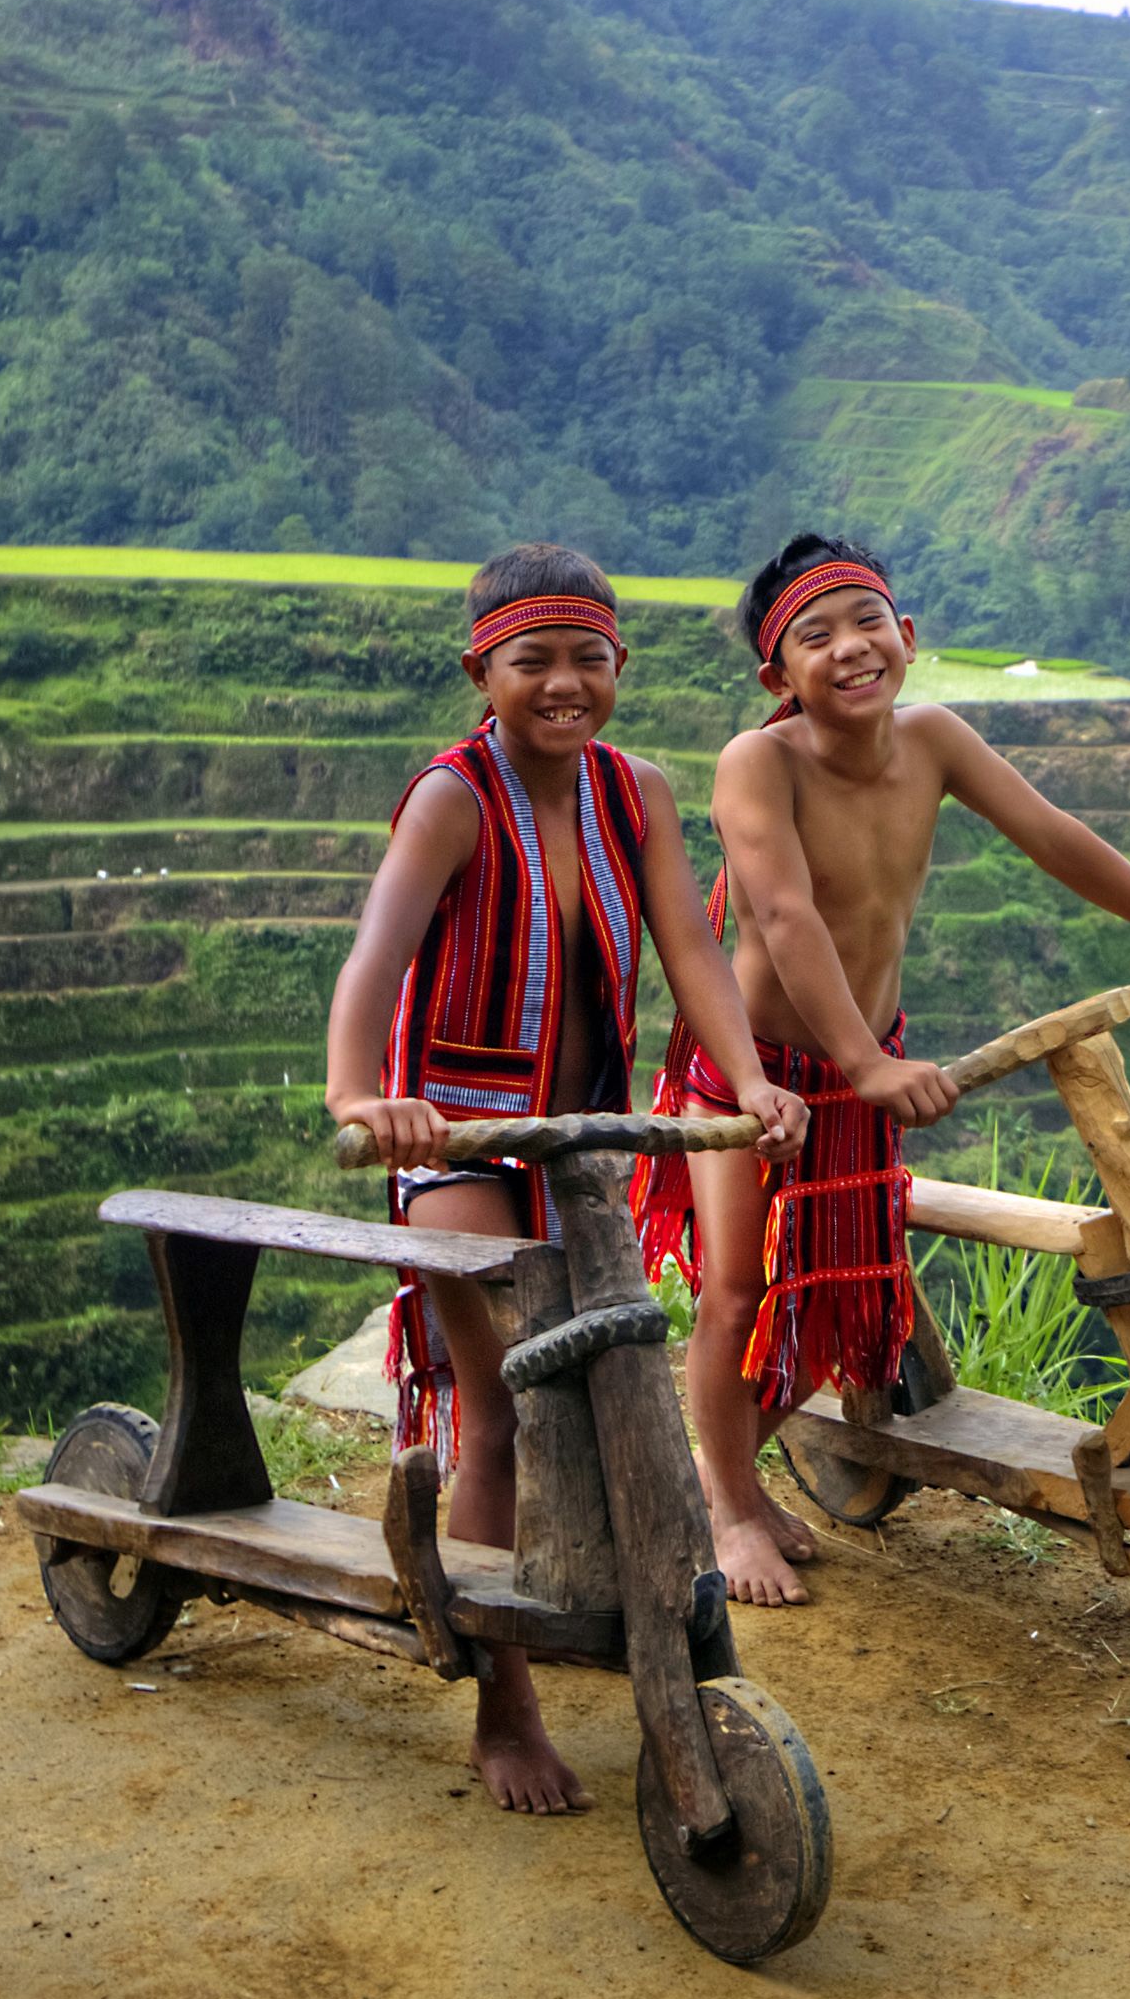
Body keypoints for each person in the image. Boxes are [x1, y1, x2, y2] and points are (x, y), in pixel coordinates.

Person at [633, 533, 1130, 1606]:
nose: (848, 649)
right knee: (740, 1292)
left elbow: (1052, 833)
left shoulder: (934, 740)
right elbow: (783, 915)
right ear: (775, 677)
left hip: (862, 1064)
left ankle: (717, 1466)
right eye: (813, 636)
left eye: (866, 622)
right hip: (758, 1075)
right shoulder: (761, 762)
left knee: (830, 1292)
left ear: (909, 637)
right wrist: (862, 1066)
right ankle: (731, 1506)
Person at [325, 543, 809, 1814]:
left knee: (609, 1408)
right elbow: (376, 959)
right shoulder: (452, 799)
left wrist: (749, 1079)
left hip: (585, 1147)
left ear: (619, 668)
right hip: (459, 1142)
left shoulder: (633, 791)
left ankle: (628, 1625)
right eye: (532, 659)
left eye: (587, 658)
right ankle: (504, 1705)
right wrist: (360, 1098)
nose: (563, 683)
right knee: (501, 1419)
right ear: (480, 669)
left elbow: (692, 949)